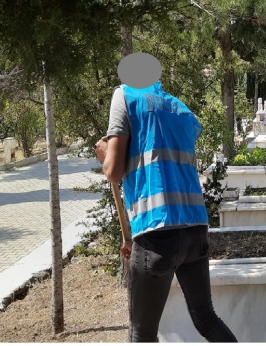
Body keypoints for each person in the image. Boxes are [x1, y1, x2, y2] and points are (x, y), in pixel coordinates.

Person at [95, 80, 237, 343]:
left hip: (156, 235)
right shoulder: (179, 108)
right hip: (195, 230)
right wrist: (131, 238)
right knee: (206, 319)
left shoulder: (125, 95)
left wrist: (105, 154)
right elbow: (162, 168)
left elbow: (114, 171)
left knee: (142, 335)